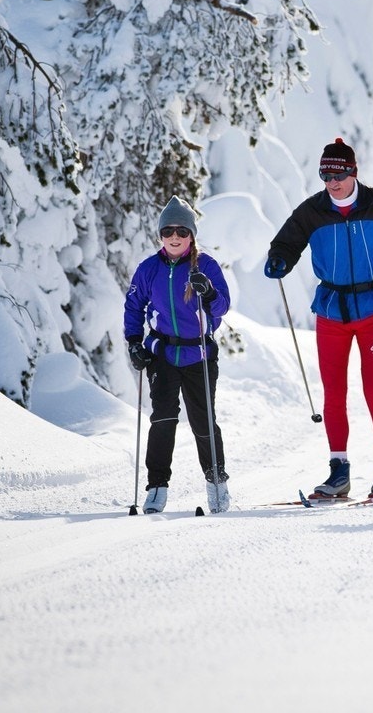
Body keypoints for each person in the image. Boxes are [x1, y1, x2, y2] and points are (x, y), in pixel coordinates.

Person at [264, 139, 373, 499]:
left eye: (338, 174)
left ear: (353, 172)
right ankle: (339, 471)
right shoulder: (312, 211)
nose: (331, 182)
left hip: (372, 308)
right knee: (334, 392)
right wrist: (279, 261)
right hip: (332, 310)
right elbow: (285, 243)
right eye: (325, 174)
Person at [124, 196, 233, 514]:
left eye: (181, 231)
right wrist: (134, 343)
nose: (174, 236)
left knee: (203, 421)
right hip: (163, 353)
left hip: (199, 353)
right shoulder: (149, 269)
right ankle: (156, 487)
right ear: (160, 234)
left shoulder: (206, 266)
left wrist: (209, 292)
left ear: (191, 235)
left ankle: (216, 484)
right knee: (163, 419)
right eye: (168, 230)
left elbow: (223, 306)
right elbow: (134, 307)